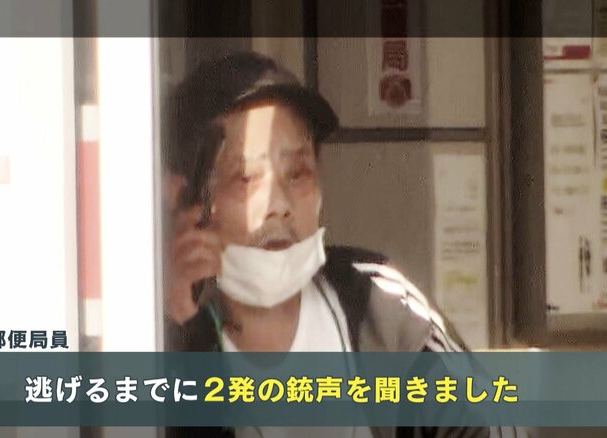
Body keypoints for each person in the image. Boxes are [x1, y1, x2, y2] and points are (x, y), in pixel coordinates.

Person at [163, 51, 521, 438]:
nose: (279, 206)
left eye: (298, 173)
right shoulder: (152, 340)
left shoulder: (381, 307)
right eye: (246, 178)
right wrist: (181, 331)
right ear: (185, 199)